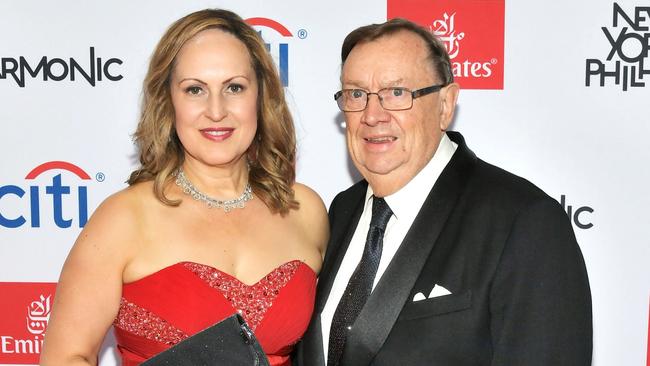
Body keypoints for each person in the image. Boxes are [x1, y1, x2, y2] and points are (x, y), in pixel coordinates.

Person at [295, 18, 592, 366]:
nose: (372, 115)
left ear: (445, 105)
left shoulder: (524, 222)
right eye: (356, 94)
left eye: (396, 93)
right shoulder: (341, 210)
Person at [40, 9, 328, 366]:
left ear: (261, 96)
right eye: (195, 90)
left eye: (234, 87)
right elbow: (65, 357)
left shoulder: (304, 210)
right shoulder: (124, 218)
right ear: (168, 101)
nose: (216, 110)